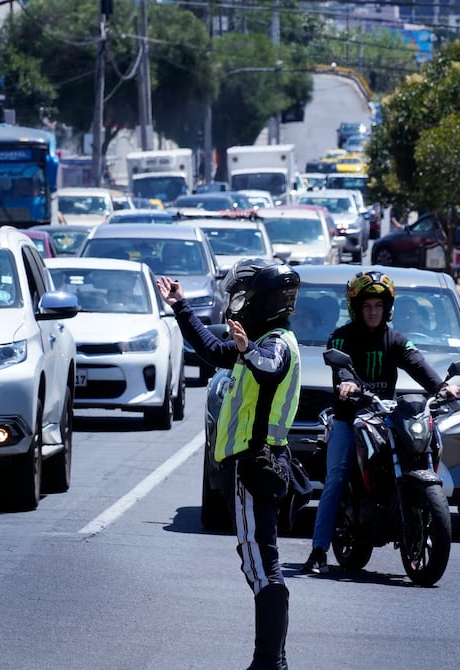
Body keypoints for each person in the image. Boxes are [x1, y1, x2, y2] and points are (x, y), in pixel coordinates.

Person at [156, 258, 301, 670]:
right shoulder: (261, 339)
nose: (237, 304)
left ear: (262, 302)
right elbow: (213, 350)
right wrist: (182, 308)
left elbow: (269, 366)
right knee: (259, 562)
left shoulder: (274, 344)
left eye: (243, 297)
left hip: (256, 465)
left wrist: (248, 351)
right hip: (256, 465)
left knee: (262, 565)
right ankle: (269, 660)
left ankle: (269, 661)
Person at [300, 270, 460, 575]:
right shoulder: (341, 337)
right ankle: (319, 550)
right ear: (357, 309)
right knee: (335, 476)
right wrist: (347, 384)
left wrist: (441, 387)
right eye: (367, 306)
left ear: (387, 308)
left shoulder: (396, 339)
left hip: (385, 417)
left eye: (378, 305)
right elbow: (341, 370)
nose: (373, 312)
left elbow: (417, 363)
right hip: (350, 418)